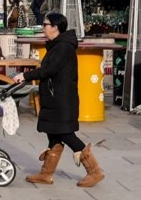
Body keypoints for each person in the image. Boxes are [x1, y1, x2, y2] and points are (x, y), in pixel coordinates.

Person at [15, 12, 103, 187]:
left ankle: (94, 171)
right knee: (53, 134)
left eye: (46, 24)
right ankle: (46, 173)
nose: (43, 27)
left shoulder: (63, 46)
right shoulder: (57, 45)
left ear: (55, 27)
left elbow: (49, 69)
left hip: (62, 99)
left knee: (66, 134)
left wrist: (25, 76)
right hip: (54, 97)